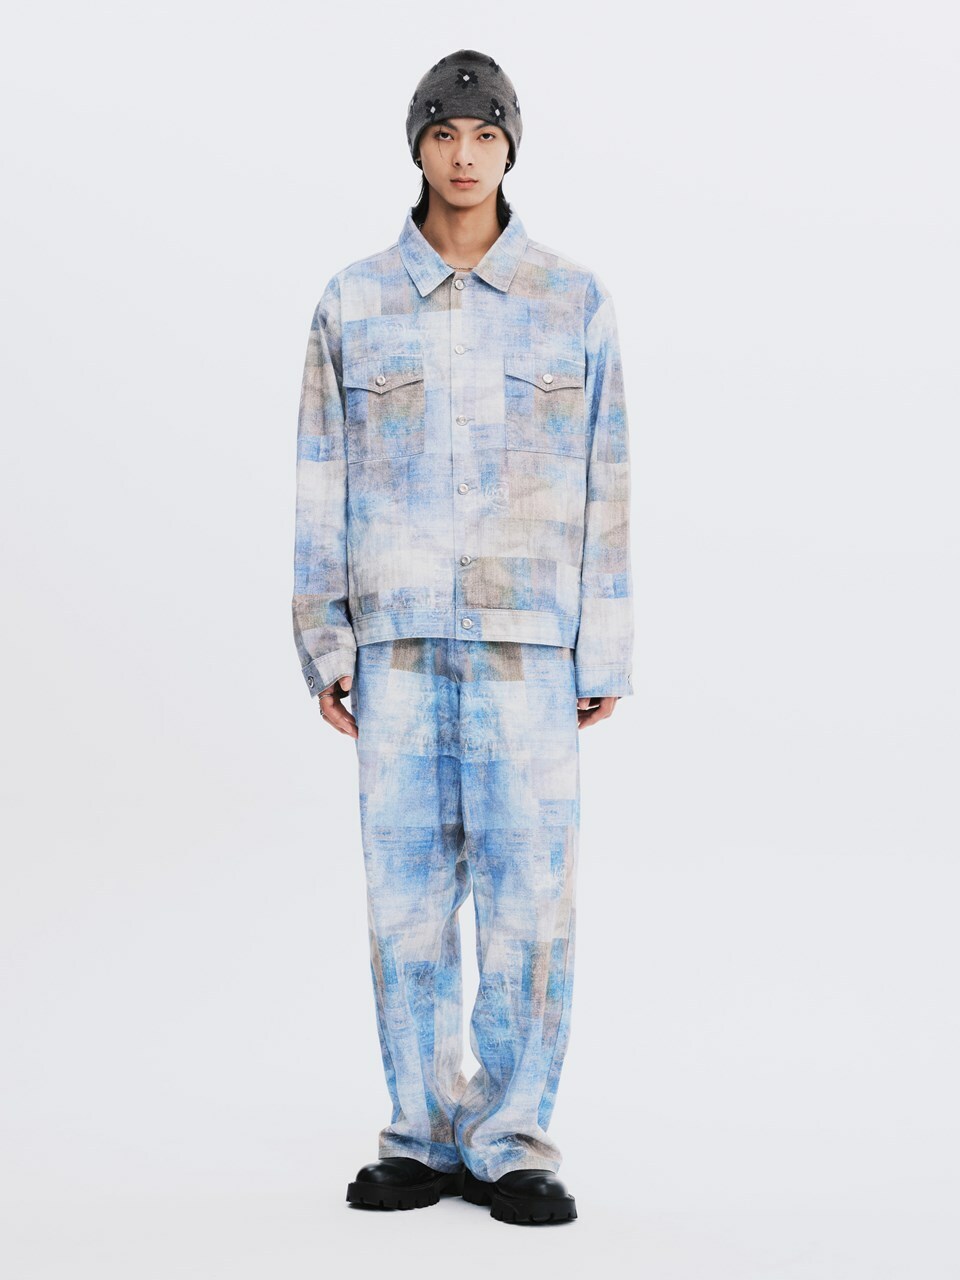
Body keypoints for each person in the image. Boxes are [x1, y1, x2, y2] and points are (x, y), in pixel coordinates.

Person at [292, 48, 634, 1226]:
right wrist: (325, 637)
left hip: (529, 649)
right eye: (444, 132)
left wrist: (606, 645)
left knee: (530, 898)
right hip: (396, 647)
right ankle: (421, 1131)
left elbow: (608, 476)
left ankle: (513, 1139)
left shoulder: (573, 301)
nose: (465, 153)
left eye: (486, 133)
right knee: (407, 902)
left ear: (510, 146)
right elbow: (320, 475)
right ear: (419, 145)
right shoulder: (353, 302)